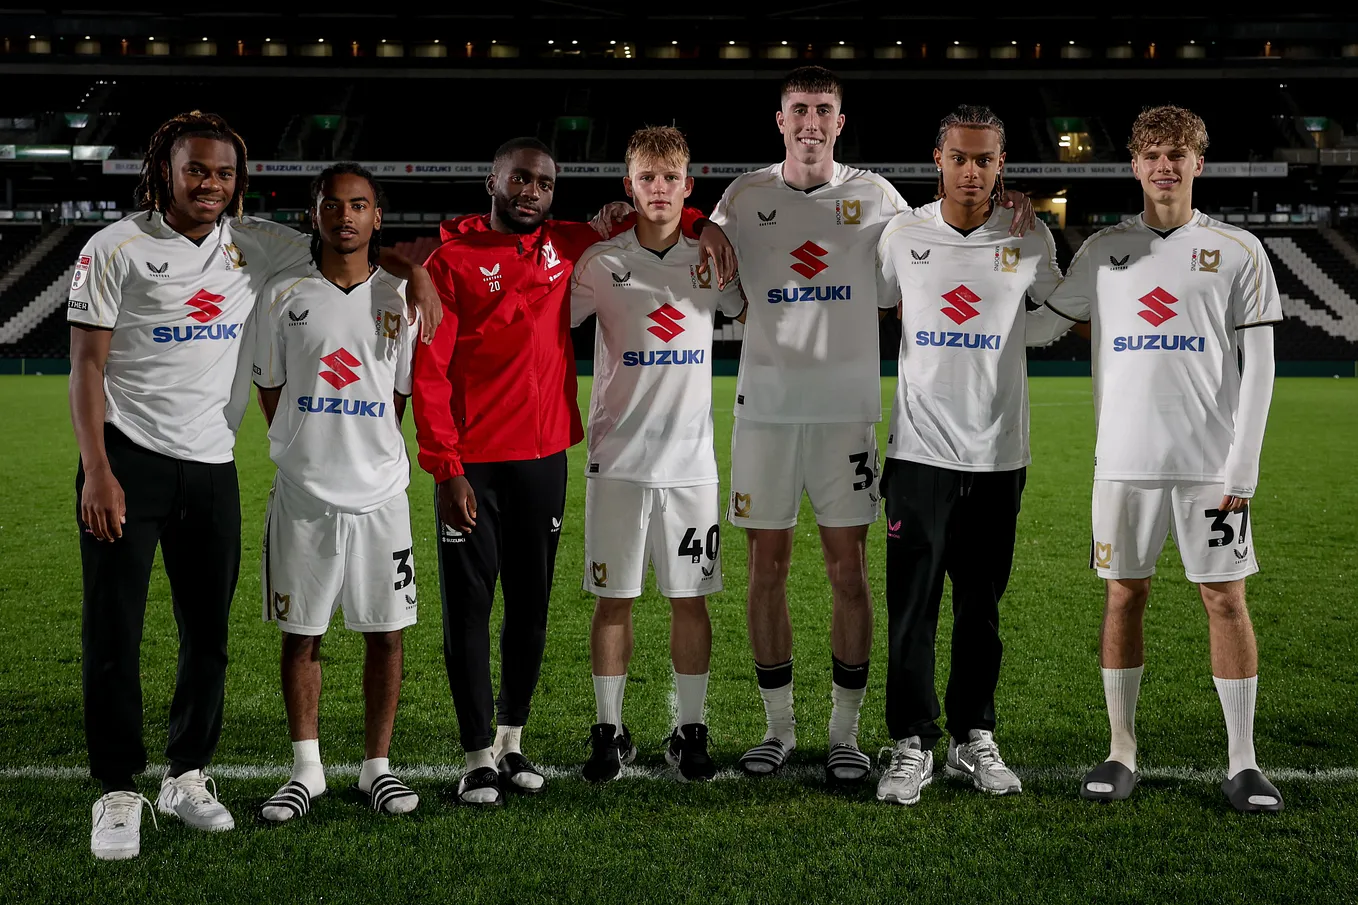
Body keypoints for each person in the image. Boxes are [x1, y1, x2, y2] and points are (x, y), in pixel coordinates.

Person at [71, 111, 439, 861]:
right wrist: (99, 468)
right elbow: (85, 366)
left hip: (211, 466)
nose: (209, 183)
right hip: (126, 458)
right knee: (115, 631)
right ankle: (116, 788)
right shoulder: (114, 248)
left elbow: (361, 248)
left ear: (239, 182)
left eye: (224, 172)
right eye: (195, 169)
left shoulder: (259, 245)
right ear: (164, 171)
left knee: (207, 635)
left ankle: (187, 774)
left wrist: (420, 271)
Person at [710, 67, 1034, 784]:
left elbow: (943, 244)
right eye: (799, 108)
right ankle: (777, 729)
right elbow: (721, 284)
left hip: (849, 418)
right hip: (763, 414)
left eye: (824, 109)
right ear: (779, 118)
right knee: (764, 571)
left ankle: (845, 734)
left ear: (840, 120)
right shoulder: (740, 199)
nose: (811, 121)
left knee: (848, 571)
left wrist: (1004, 201)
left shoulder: (881, 200)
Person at [412, 137, 735, 806]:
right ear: (493, 182)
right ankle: (483, 755)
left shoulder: (571, 247)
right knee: (472, 611)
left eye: (544, 183)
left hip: (548, 458)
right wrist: (445, 466)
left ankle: (511, 741)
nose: (531, 190)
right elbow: (430, 367)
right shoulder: (470, 261)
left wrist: (706, 224)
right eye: (520, 179)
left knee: (531, 610)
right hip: (483, 462)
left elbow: (669, 225)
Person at [1045, 106, 1284, 812]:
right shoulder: (1102, 249)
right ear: (1135, 165)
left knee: (1225, 598)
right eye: (1152, 153)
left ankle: (1243, 759)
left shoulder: (1239, 251)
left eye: (1177, 153)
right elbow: (1039, 325)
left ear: (1198, 163)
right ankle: (1122, 749)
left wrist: (1245, 466)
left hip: (1211, 466)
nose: (1164, 166)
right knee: (1124, 593)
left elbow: (1261, 366)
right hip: (1122, 462)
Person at [872, 106, 1077, 806]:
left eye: (985, 159)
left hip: (998, 455)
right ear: (937, 158)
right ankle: (909, 740)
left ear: (1002, 165)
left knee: (981, 609)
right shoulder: (901, 234)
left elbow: (1056, 315)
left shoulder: (1027, 236)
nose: (971, 170)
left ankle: (972, 735)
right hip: (920, 453)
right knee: (913, 606)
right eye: (959, 157)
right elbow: (876, 301)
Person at [570, 126, 744, 783]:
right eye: (647, 177)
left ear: (688, 185)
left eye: (671, 178)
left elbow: (750, 308)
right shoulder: (601, 263)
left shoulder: (711, 259)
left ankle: (690, 727)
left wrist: (711, 231)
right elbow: (544, 319)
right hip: (616, 462)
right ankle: (609, 731)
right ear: (629, 186)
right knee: (612, 599)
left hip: (692, 466)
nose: (659, 189)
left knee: (689, 598)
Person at [253, 163, 420, 822]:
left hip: (382, 493)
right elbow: (270, 386)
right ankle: (307, 770)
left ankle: (376, 767)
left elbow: (400, 390)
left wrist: (365, 445)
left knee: (386, 634)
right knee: (302, 634)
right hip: (304, 494)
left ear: (376, 217)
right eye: (333, 204)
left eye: (360, 205)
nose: (346, 216)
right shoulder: (282, 293)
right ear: (315, 212)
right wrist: (305, 445)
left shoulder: (398, 296)